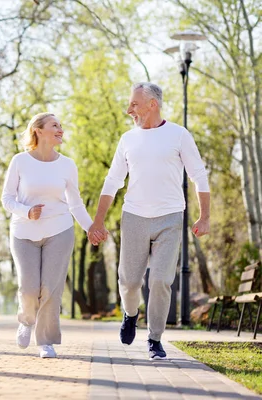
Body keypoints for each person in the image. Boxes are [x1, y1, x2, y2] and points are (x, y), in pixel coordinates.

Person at [88, 82, 210, 360]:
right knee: (130, 282)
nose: (129, 109)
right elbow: (113, 181)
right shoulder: (127, 140)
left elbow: (199, 176)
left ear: (152, 104)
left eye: (134, 104)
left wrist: (205, 217)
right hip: (134, 217)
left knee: (160, 280)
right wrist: (98, 221)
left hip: (170, 217)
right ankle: (131, 314)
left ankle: (155, 338)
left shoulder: (178, 135)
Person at [1, 112, 104, 358]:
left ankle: (45, 341)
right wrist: (26, 212)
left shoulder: (67, 164)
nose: (60, 129)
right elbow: (7, 198)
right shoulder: (20, 161)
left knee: (51, 288)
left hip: (59, 230)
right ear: (38, 130)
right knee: (28, 288)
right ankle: (26, 320)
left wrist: (91, 227)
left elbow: (76, 203)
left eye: (61, 125)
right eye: (54, 125)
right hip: (24, 232)